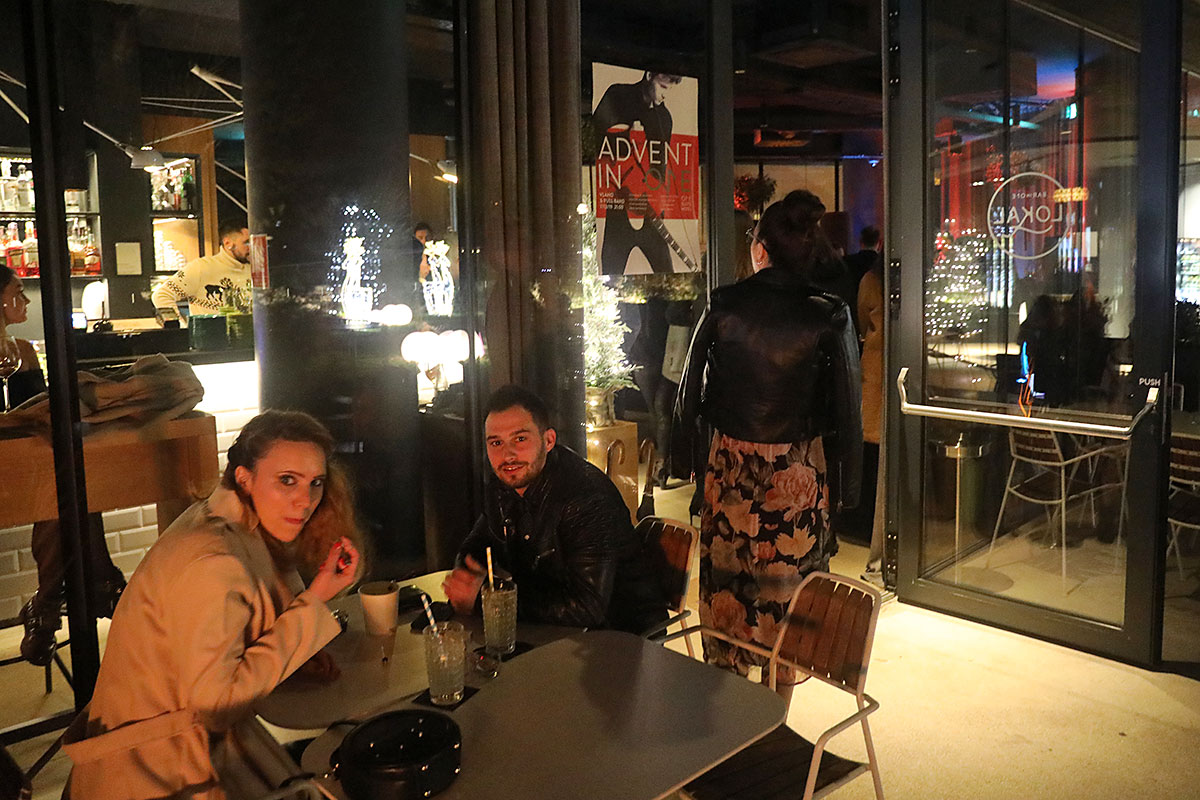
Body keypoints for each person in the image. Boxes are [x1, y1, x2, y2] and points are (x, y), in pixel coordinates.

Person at [63, 410, 363, 799]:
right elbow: (216, 705)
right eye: (287, 480)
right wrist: (316, 599)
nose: (305, 501)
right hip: (155, 774)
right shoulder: (212, 560)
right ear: (244, 477)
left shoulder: (229, 523)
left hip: (179, 750)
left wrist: (298, 651)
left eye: (315, 483)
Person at [675, 190, 862, 694]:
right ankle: (777, 710)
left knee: (728, 588)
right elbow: (849, 409)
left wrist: (684, 461)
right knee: (789, 597)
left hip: (731, 467)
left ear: (760, 250)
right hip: (797, 471)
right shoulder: (829, 313)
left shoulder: (724, 304)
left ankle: (732, 704)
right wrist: (846, 492)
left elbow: (688, 392)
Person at [442, 385, 666, 633]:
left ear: (548, 440)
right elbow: (476, 546)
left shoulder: (585, 497)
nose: (508, 455)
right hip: (555, 630)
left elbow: (588, 607)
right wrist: (465, 577)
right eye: (496, 442)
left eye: (520, 439)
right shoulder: (504, 486)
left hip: (622, 634)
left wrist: (489, 599)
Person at [1, 265, 126, 666]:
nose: (25, 300)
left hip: (25, 463)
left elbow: (38, 412)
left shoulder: (21, 350)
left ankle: (47, 605)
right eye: (17, 292)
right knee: (68, 483)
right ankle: (98, 582)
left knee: (66, 482)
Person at [592, 71, 684, 275]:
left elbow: (660, 168)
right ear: (649, 75)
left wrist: (657, 200)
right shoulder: (617, 96)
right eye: (663, 87)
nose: (665, 95)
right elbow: (595, 142)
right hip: (619, 205)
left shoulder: (664, 118)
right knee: (610, 275)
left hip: (650, 208)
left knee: (668, 275)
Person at [151, 222, 252, 320]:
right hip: (209, 331)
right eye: (246, 242)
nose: (251, 247)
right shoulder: (201, 268)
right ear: (228, 243)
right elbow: (161, 295)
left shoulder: (253, 270)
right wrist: (182, 326)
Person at [858, 256, 886, 584]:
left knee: (875, 447)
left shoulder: (870, 280)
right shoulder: (880, 280)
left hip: (876, 363)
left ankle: (870, 531)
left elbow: (863, 319)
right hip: (880, 367)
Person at [844, 225, 882, 334]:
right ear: (879, 243)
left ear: (861, 242)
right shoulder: (881, 267)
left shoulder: (847, 263)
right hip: (874, 325)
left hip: (850, 314)